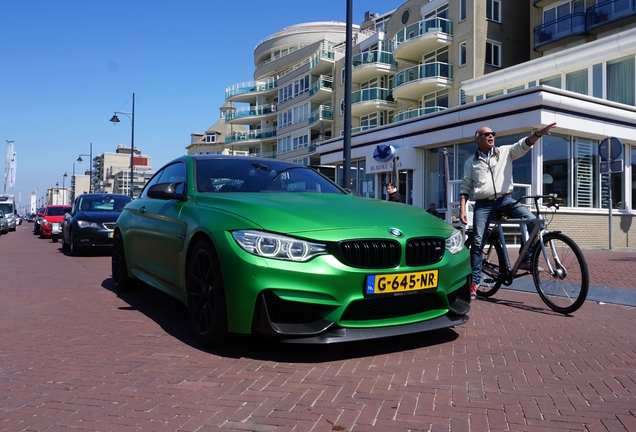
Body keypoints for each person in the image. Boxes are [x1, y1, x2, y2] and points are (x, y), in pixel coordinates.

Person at [458, 122, 557, 299]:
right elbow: (466, 186)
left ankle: (526, 259)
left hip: (505, 199)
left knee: (534, 222)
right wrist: (462, 209)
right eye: (486, 134)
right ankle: (475, 282)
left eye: (492, 133)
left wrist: (538, 134)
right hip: (484, 204)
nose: (491, 136)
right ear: (477, 140)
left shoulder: (505, 152)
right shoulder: (471, 162)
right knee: (478, 241)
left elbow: (523, 145)